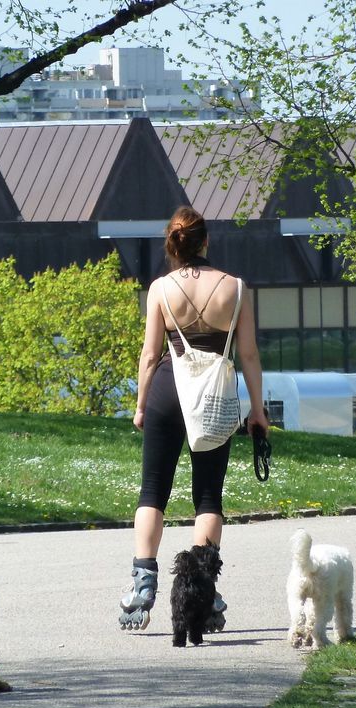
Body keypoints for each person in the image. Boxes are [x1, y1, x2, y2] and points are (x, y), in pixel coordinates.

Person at [118, 206, 267, 631]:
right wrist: (256, 410)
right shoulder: (236, 289)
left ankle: (142, 586)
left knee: (153, 491)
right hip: (217, 395)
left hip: (168, 388)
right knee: (207, 497)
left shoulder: (161, 289)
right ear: (205, 241)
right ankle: (204, 588)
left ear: (174, 244)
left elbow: (150, 355)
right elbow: (249, 355)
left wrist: (142, 405)